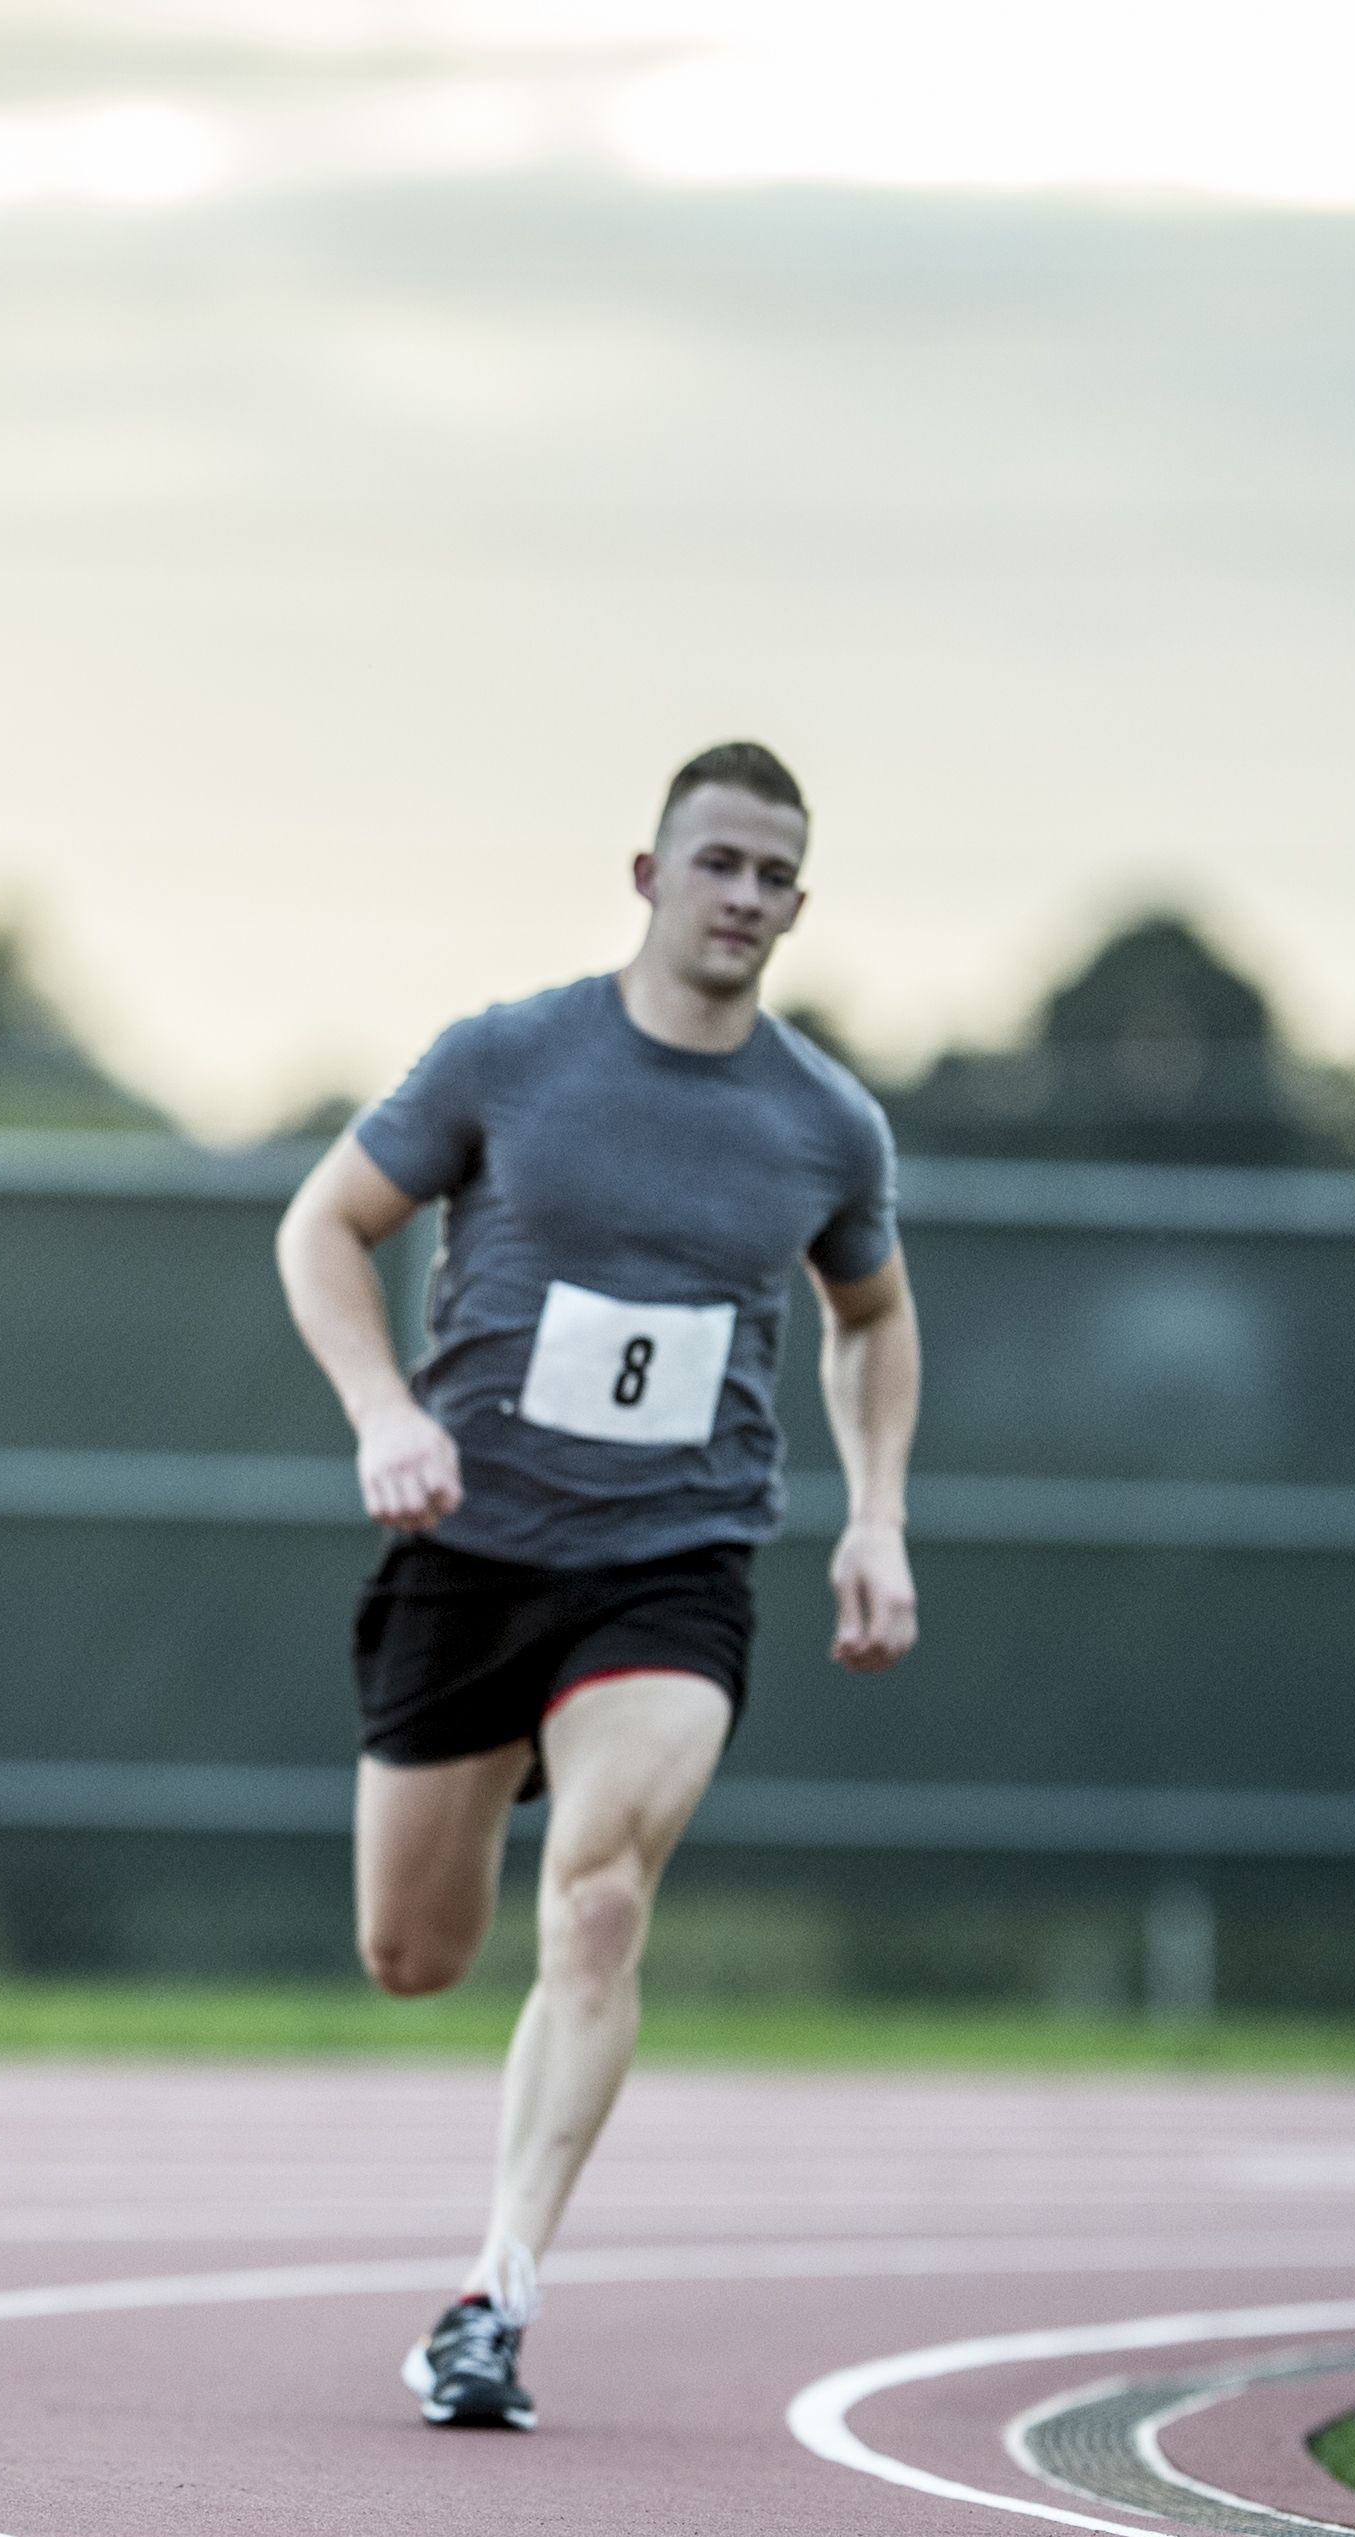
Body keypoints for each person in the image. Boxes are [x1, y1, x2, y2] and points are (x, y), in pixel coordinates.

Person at [272, 742, 919, 2431]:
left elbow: (869, 1319)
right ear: (646, 873)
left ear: (797, 903)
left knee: (602, 1897)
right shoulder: (507, 1057)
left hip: (671, 1563)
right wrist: (381, 1410)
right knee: (411, 1952)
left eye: (773, 876)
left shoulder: (821, 1119)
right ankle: (516, 1756)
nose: (742, 898)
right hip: (471, 1548)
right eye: (716, 863)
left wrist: (876, 1515)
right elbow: (318, 1226)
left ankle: (493, 2293)